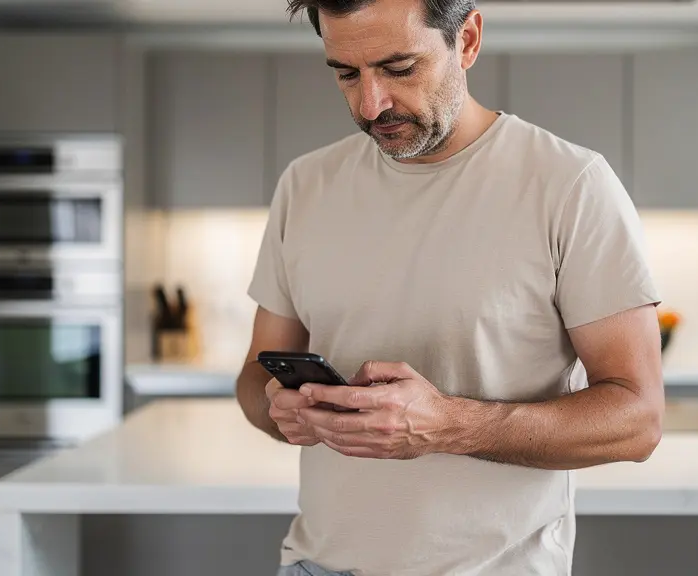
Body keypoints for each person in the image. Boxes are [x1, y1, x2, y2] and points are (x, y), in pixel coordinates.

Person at [235, 0, 665, 573]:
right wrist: (283, 410)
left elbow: (637, 420)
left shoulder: (570, 186)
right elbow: (252, 382)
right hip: (316, 565)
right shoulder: (305, 185)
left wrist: (446, 426)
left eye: (399, 68)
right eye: (346, 73)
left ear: (466, 40)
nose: (371, 104)